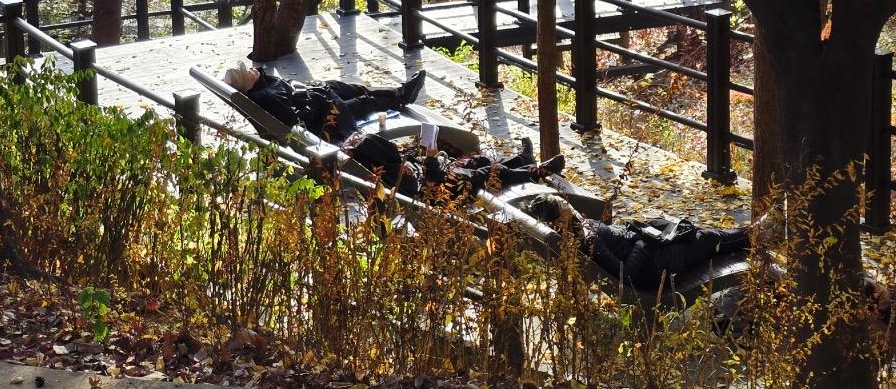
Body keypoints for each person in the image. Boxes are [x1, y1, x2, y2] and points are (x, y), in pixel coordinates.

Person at [515, 192, 749, 291]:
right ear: (561, 218)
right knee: (705, 238)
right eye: (566, 207)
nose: (572, 207)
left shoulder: (577, 235)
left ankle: (748, 234)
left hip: (652, 250)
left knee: (694, 232)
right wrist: (641, 244)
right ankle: (753, 234)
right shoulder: (589, 241)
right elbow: (625, 274)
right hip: (658, 264)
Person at [224, 61, 425, 143]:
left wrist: (313, 91)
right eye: (247, 72)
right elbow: (296, 120)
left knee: (337, 86)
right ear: (247, 86)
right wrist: (315, 99)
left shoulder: (264, 85)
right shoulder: (265, 97)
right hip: (322, 119)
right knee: (360, 102)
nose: (252, 69)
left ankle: (397, 94)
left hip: (312, 98)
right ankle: (398, 96)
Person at [422, 135, 566, 198]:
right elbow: (432, 180)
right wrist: (430, 158)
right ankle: (539, 171)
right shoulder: (403, 183)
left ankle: (524, 159)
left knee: (482, 160)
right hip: (452, 185)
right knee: (494, 171)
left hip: (448, 172)